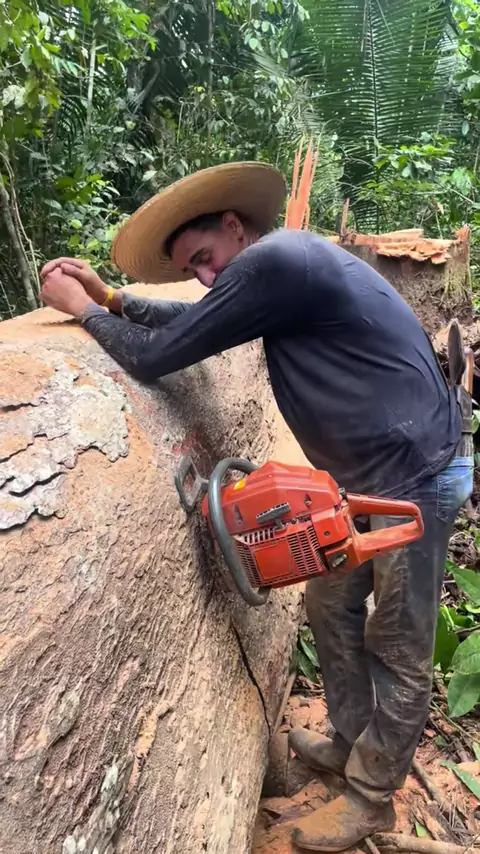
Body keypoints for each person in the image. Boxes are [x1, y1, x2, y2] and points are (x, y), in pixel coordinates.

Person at [40, 162, 473, 853]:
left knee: (397, 641)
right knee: (329, 605)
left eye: (205, 256)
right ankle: (347, 740)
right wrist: (113, 300)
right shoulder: (275, 273)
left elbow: (160, 356)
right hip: (367, 475)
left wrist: (82, 310)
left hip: (413, 475)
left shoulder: (276, 262)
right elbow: (201, 323)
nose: (206, 275)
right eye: (193, 268)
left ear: (234, 226)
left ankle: (370, 799)